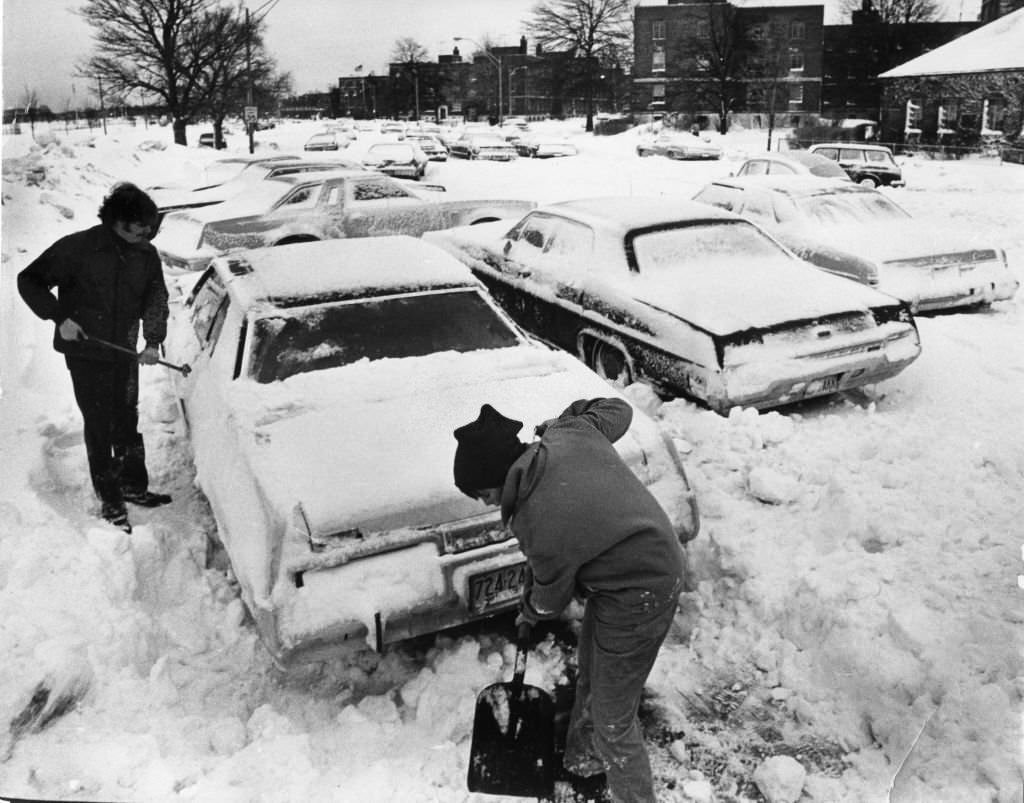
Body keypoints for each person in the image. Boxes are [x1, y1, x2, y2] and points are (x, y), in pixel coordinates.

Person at [453, 397, 685, 803]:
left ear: (495, 479)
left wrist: (528, 613)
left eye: (483, 495)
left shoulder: (537, 517)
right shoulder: (569, 434)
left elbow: (550, 599)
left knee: (614, 718)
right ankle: (583, 762)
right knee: (593, 668)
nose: (487, 504)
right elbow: (619, 411)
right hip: (625, 574)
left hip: (641, 591)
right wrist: (570, 415)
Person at [18, 182, 171, 534]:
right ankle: (110, 497)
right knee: (100, 422)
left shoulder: (145, 254)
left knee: (127, 417)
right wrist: (59, 317)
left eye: (151, 227)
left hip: (126, 349)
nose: (148, 233)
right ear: (118, 221)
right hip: (86, 352)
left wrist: (153, 341)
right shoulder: (77, 249)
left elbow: (155, 296)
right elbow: (28, 280)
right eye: (141, 227)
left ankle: (134, 485)